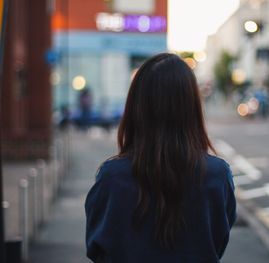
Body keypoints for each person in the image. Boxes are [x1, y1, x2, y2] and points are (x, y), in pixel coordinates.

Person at [85, 53, 236, 263]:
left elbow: (96, 247)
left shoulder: (112, 176)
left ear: (136, 106)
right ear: (192, 106)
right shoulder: (217, 175)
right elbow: (218, 241)